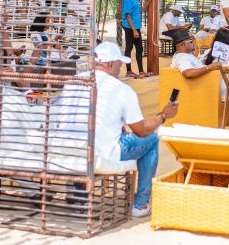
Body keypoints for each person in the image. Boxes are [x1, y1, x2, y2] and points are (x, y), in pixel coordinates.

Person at [50, 42, 178, 219]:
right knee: (152, 140)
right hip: (101, 153)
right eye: (119, 64)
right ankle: (141, 204)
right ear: (110, 64)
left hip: (67, 149)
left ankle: (79, 196)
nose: (120, 69)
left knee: (86, 136)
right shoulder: (121, 89)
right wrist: (163, 115)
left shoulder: (73, 81)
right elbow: (141, 130)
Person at [121, 0, 147, 78]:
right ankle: (129, 71)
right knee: (129, 48)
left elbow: (137, 11)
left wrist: (146, 6)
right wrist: (134, 30)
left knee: (139, 48)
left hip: (135, 27)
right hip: (130, 27)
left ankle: (141, 71)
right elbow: (128, 16)